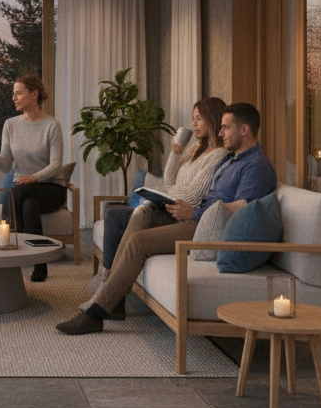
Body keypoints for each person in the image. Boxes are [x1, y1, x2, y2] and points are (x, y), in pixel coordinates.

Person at [56, 101, 277, 334]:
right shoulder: (233, 160)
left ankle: (95, 313)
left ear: (244, 130)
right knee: (145, 212)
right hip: (197, 218)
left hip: (206, 230)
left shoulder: (256, 167)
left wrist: (194, 212)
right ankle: (112, 299)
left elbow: (237, 212)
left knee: (138, 242)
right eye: (220, 127)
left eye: (226, 128)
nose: (220, 133)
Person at [94, 96, 228, 317]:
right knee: (133, 211)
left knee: (126, 215)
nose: (194, 124)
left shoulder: (218, 155)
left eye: (199, 119)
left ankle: (109, 288)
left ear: (213, 120)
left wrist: (166, 194)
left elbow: (193, 195)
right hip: (171, 208)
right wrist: (176, 153)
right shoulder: (196, 148)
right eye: (193, 119)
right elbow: (169, 180)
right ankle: (111, 292)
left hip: (182, 216)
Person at [0, 74, 67, 282]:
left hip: (50, 188)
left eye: (18, 93)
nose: (14, 98)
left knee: (14, 195)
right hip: (24, 190)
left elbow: (56, 166)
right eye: (13, 93)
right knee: (28, 205)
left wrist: (33, 178)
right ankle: (40, 264)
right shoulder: (10, 125)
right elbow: (5, 165)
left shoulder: (51, 125)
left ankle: (9, 253)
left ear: (34, 94)